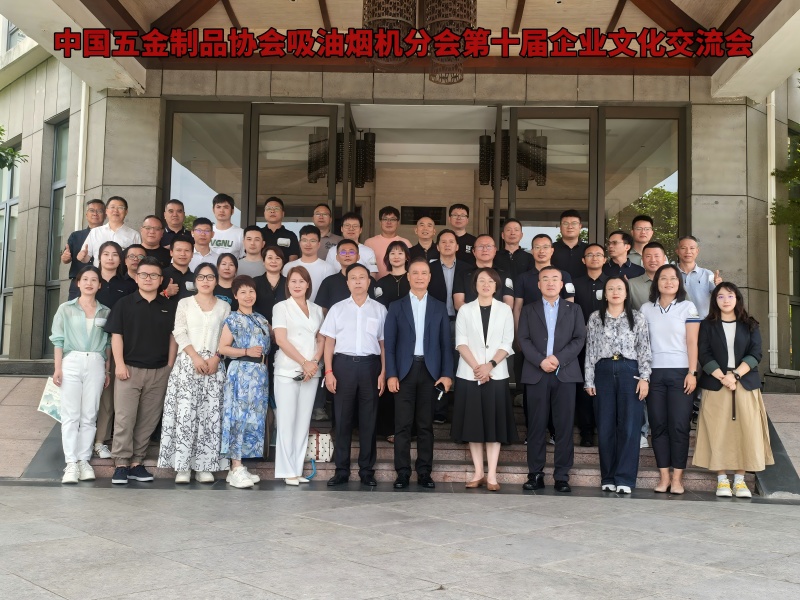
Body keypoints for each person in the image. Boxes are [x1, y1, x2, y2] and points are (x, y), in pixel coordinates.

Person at [694, 283, 774, 498]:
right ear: (715, 301)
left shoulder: (750, 324)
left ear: (737, 299)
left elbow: (756, 353)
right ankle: (722, 479)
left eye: (730, 296)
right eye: (720, 296)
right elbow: (704, 353)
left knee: (746, 430)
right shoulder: (707, 325)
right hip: (716, 382)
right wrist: (723, 377)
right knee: (717, 430)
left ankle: (739, 480)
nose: (726, 300)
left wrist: (735, 376)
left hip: (744, 382)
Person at [104, 257, 177, 485]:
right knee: (125, 418)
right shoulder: (124, 304)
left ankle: (137, 462)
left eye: (154, 275)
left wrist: (170, 366)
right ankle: (121, 464)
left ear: (161, 280)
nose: (148, 279)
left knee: (148, 419)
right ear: (136, 277)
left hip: (159, 371)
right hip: (129, 370)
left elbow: (173, 337)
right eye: (144, 274)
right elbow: (116, 336)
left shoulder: (169, 306)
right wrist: (119, 365)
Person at [158, 263, 230, 483]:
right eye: (201, 277)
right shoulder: (185, 303)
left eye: (210, 277)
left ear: (216, 280)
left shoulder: (224, 306)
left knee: (209, 416)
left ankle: (204, 467)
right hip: (188, 363)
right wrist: (195, 357)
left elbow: (226, 337)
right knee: (185, 415)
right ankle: (182, 467)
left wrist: (216, 358)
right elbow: (179, 331)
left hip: (214, 366)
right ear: (195, 281)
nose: (205, 281)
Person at [385, 257, 453, 489]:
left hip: (430, 372)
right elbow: (390, 344)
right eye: (415, 273)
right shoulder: (396, 306)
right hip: (404, 372)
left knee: (425, 425)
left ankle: (424, 472)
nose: (420, 277)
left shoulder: (438, 306)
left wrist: (447, 374)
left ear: (430, 277)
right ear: (408, 276)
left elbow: (446, 344)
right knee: (402, 425)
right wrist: (391, 374)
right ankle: (402, 472)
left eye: (424, 273)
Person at [518, 267, 586, 493]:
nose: (550, 283)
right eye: (545, 279)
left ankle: (562, 476)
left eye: (555, 279)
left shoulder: (574, 309)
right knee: (536, 426)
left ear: (561, 284)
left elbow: (579, 339)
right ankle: (535, 474)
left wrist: (557, 359)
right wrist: (540, 361)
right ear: (538, 285)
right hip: (536, 373)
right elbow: (523, 339)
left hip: (564, 374)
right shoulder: (529, 310)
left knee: (564, 427)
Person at [584, 277, 652, 494]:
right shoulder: (596, 317)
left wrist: (645, 378)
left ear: (626, 293)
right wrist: (589, 379)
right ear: (605, 294)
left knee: (629, 427)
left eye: (619, 288)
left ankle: (625, 479)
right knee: (605, 426)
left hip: (629, 371)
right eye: (611, 289)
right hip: (603, 370)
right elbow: (590, 349)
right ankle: (608, 477)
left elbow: (644, 349)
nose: (615, 292)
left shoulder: (637, 317)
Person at [322, 263, 387, 486]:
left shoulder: (379, 310)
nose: (358, 281)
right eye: (353, 278)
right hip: (343, 366)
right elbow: (329, 343)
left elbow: (384, 345)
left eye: (362, 277)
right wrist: (328, 371)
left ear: (369, 281)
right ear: (347, 282)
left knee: (369, 420)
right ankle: (341, 470)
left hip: (370, 367)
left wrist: (383, 372)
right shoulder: (337, 309)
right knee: (342, 420)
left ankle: (366, 470)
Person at [451, 268, 516, 491]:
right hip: (469, 374)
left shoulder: (505, 309)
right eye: (481, 280)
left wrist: (490, 366)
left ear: (496, 285)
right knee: (474, 425)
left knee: (494, 425)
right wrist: (478, 368)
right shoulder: (465, 310)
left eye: (490, 281)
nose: (486, 284)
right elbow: (461, 342)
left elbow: (507, 342)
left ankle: (492, 475)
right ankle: (478, 472)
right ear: (475, 285)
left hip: (496, 374)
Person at [639, 264, 701, 494]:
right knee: (658, 425)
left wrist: (692, 373)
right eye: (663, 278)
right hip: (654, 373)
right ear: (656, 282)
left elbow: (692, 342)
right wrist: (644, 376)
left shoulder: (688, 307)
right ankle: (664, 476)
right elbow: (642, 344)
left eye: (673, 278)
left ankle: (677, 479)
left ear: (679, 282)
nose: (668, 282)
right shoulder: (646, 309)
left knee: (679, 425)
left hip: (681, 373)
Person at [51, 266, 111, 484]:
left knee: (89, 414)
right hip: (72, 361)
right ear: (78, 283)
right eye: (85, 279)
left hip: (96, 362)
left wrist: (107, 370)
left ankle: (84, 460)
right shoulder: (65, 309)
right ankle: (71, 464)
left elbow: (108, 344)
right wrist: (58, 368)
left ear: (99, 285)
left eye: (94, 280)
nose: (89, 283)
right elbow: (58, 340)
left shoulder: (105, 311)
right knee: (70, 414)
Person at [272, 266, 325, 485]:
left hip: (311, 371)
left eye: (301, 281)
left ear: (308, 284)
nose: (297, 285)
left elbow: (321, 338)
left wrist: (314, 363)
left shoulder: (317, 309)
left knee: (303, 422)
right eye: (293, 281)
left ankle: (297, 468)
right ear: (288, 284)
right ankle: (286, 471)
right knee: (286, 421)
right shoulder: (281, 307)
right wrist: (304, 362)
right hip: (287, 369)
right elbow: (281, 339)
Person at [218, 275, 271, 489]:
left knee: (253, 418)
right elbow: (222, 348)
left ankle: (237, 468)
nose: (248, 296)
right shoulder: (232, 319)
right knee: (238, 417)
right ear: (235, 295)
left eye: (251, 291)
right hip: (241, 371)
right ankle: (235, 464)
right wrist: (246, 351)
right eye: (243, 292)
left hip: (260, 374)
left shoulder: (261, 318)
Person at [427, 229, 470, 424]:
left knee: (462, 363)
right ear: (437, 246)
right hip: (436, 321)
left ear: (457, 246)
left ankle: (460, 410)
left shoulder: (467, 268)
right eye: (443, 242)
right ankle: (439, 410)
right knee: (438, 363)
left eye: (451, 241)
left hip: (461, 321)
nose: (447, 245)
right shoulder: (429, 268)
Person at [571, 243, 608, 447]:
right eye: (590, 255)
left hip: (606, 346)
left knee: (603, 386)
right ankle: (586, 432)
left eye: (599, 255)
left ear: (605, 259)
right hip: (580, 343)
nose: (594, 258)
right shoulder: (574, 284)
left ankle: (604, 430)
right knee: (583, 387)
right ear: (583, 260)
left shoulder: (612, 283)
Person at [453, 234, 514, 310]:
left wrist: (492, 315)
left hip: (498, 317)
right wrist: (478, 314)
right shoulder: (463, 275)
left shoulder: (504, 275)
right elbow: (458, 303)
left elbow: (509, 303)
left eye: (488, 246)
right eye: (480, 246)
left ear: (495, 250)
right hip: (470, 317)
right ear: (474, 251)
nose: (485, 250)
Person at [78, 196, 141, 267]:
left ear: (126, 212)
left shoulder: (134, 235)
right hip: (99, 273)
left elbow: (139, 259)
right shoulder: (95, 232)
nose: (115, 211)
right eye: (112, 207)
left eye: (120, 208)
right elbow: (86, 258)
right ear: (106, 211)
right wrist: (82, 256)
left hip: (123, 273)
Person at [317, 239, 377, 312]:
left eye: (351, 252)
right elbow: (321, 310)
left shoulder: (369, 281)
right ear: (337, 257)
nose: (347, 255)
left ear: (358, 257)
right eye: (343, 252)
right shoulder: (328, 282)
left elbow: (376, 307)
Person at [63, 199, 105, 300]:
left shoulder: (109, 235)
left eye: (99, 211)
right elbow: (65, 259)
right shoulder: (75, 236)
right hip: (79, 283)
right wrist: (65, 258)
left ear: (105, 215)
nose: (95, 214)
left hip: (102, 282)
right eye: (92, 210)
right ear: (86, 215)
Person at [281, 225, 336, 302]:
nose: (308, 244)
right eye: (304, 240)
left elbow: (329, 294)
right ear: (299, 243)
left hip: (319, 309)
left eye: (312, 241)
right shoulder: (288, 267)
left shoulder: (328, 268)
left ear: (319, 244)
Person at [676, 236, 723, 319]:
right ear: (677, 251)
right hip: (677, 321)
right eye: (683, 248)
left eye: (692, 248)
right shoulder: (670, 274)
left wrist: (720, 286)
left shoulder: (708, 274)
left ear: (697, 251)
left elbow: (719, 298)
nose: (688, 251)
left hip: (703, 322)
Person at [365, 206, 412, 279]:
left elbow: (410, 265)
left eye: (392, 219)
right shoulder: (369, 243)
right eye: (385, 219)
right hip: (375, 283)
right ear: (380, 222)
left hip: (400, 282)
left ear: (398, 223)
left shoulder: (406, 243)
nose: (388, 222)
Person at [628, 242, 668, 310]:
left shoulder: (675, 282)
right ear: (642, 259)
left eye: (656, 256)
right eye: (648, 256)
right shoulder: (631, 284)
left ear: (664, 259)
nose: (653, 260)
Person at [253, 246, 287, 324]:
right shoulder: (255, 282)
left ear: (282, 262)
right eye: (270, 258)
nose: (273, 261)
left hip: (285, 327)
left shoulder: (289, 283)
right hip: (260, 327)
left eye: (277, 258)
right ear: (263, 261)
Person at [494, 218, 533, 282]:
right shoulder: (494, 256)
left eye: (516, 230)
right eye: (508, 230)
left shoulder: (529, 258)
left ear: (521, 235)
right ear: (502, 235)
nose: (512, 233)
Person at [552, 209, 588, 279]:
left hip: (584, 286)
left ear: (580, 226)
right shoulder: (551, 249)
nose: (570, 227)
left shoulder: (588, 249)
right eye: (565, 223)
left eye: (574, 223)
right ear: (560, 227)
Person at [261, 197, 300, 262]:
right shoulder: (258, 234)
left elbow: (293, 260)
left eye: (276, 208)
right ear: (264, 213)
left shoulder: (291, 235)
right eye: (269, 208)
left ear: (283, 214)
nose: (272, 211)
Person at [374, 241, 411, 308]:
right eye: (392, 253)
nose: (396, 257)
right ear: (388, 257)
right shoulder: (381, 283)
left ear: (406, 257)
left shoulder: (413, 279)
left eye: (400, 253)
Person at [162, 234, 196, 301]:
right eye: (178, 250)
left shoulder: (196, 278)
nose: (183, 254)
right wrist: (165, 293)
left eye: (187, 250)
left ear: (192, 254)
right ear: (171, 252)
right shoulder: (161, 275)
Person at [210, 193, 244, 258]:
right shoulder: (207, 232)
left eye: (226, 207)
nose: (221, 211)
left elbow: (243, 258)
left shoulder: (241, 233)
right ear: (213, 210)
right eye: (218, 207)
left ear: (232, 211)